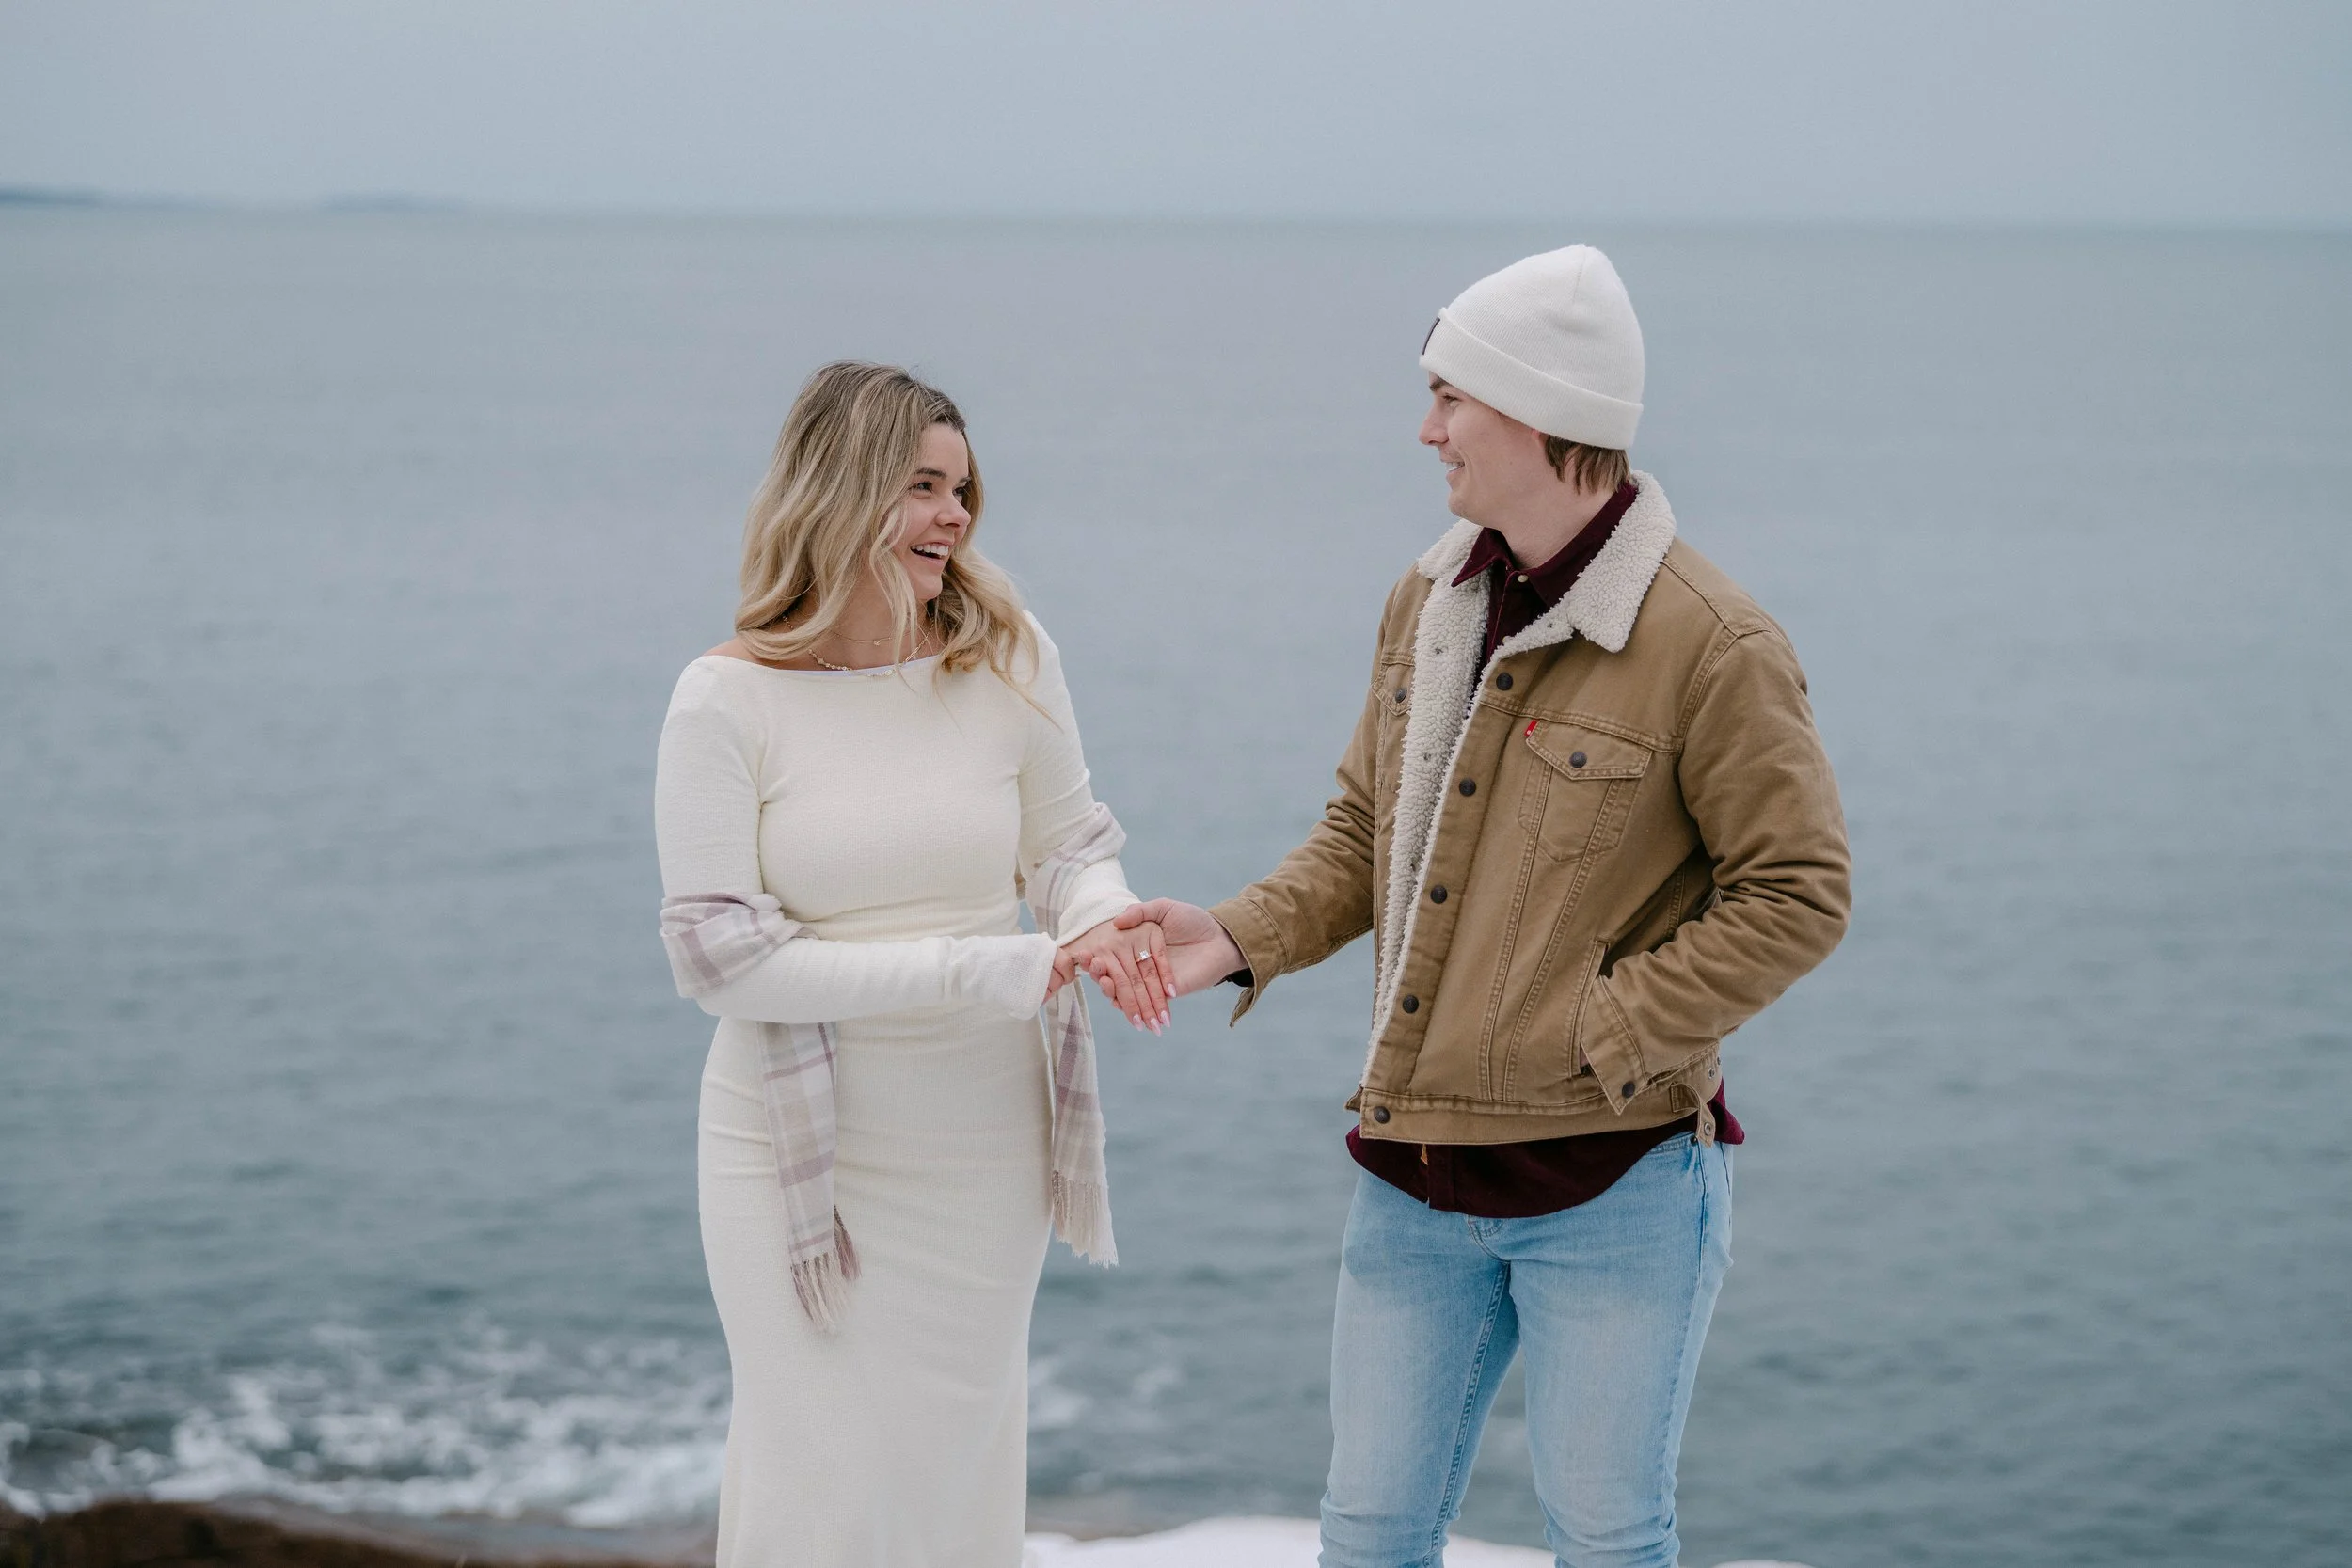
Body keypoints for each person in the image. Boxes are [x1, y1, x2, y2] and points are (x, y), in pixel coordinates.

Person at [1120, 246, 1851, 1568]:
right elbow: (1367, 831)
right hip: (1411, 1179)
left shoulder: (1712, 642)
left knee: (1607, 1539)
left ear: (1537, 410)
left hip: (1619, 1182)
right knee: (1369, 1537)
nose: (1427, 428)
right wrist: (1230, 937)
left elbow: (1797, 891)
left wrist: (1598, 1028)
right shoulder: (1427, 599)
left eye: (1449, 395)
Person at [653, 361, 1173, 1568]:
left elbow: (1069, 848)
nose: (955, 516)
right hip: (799, 1156)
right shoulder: (724, 701)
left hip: (985, 1141)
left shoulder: (1008, 656)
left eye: (963, 489)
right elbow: (722, 962)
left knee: (953, 1480)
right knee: (820, 1483)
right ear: (839, 491)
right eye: (923, 486)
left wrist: (1102, 919)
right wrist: (978, 967)